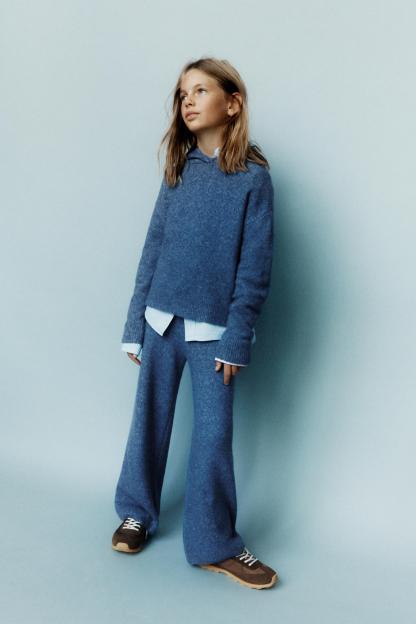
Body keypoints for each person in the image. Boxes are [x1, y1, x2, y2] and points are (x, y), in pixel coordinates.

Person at [112, 56, 278, 590]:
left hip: (214, 336)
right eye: (183, 93)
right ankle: (136, 512)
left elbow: (254, 268)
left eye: (201, 91)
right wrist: (134, 323)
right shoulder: (179, 169)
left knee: (212, 437)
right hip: (160, 322)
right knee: (149, 422)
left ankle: (214, 544)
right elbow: (153, 247)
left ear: (232, 103)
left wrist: (237, 338)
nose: (188, 101)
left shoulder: (254, 179)